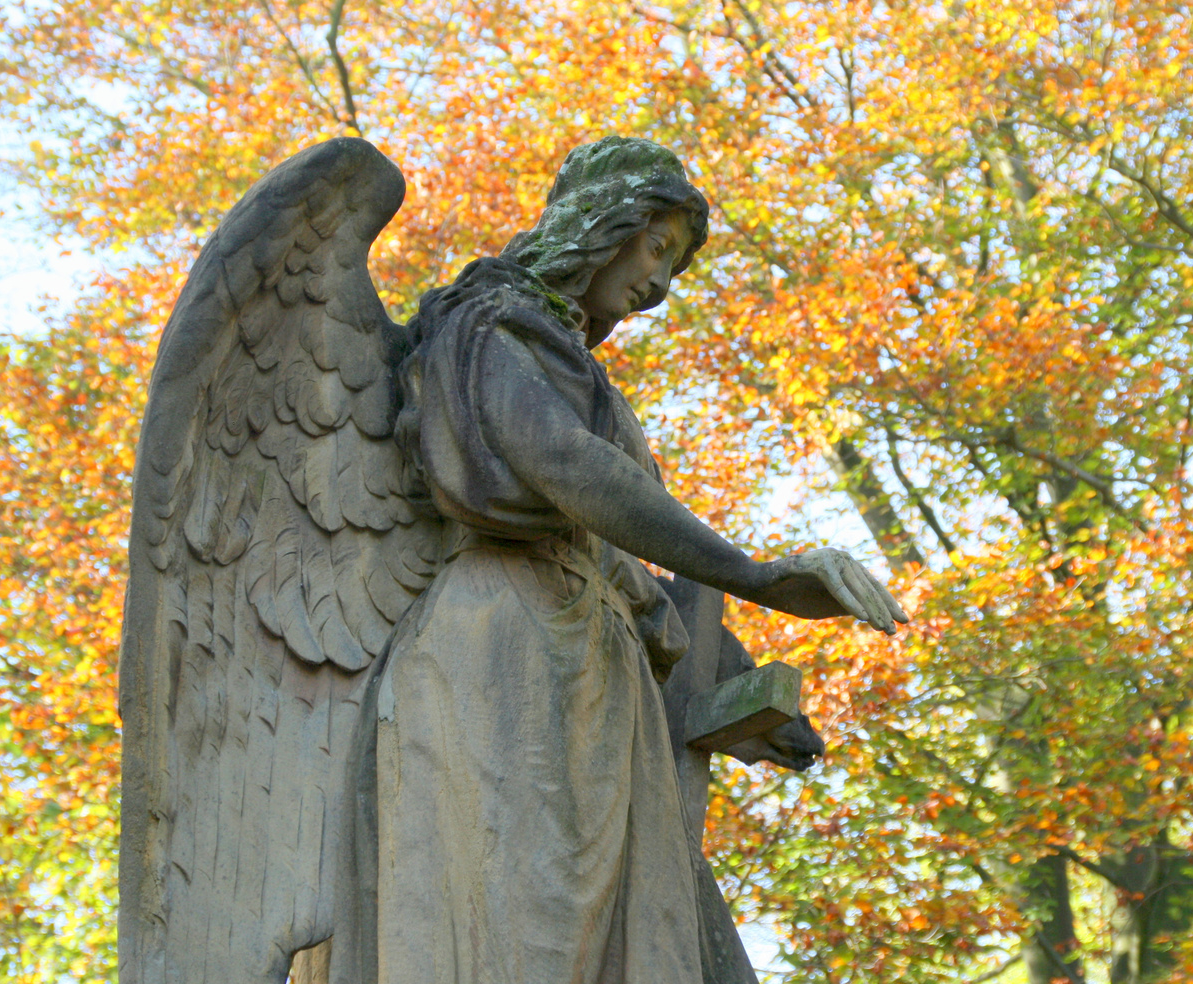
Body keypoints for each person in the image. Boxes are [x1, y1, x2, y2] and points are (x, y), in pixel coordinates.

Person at [368, 136, 905, 983]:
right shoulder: (488, 323)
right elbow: (569, 469)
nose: (659, 283)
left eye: (675, 266)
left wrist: (733, 692)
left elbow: (623, 561)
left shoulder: (576, 369)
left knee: (621, 947)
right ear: (602, 223)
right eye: (657, 247)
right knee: (516, 933)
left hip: (589, 665)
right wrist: (757, 575)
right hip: (505, 643)